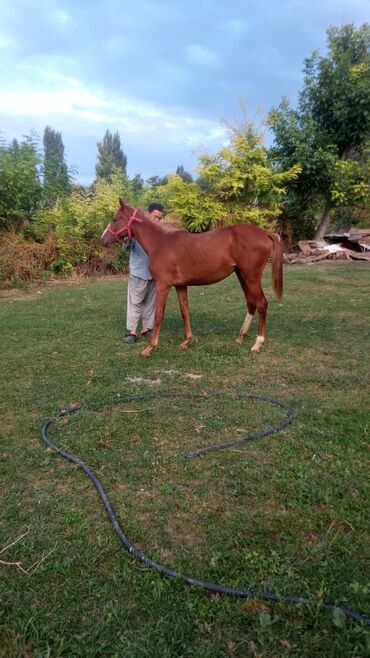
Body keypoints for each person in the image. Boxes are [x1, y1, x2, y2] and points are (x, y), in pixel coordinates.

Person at [123, 203, 164, 343]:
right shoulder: (138, 229)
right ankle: (132, 332)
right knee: (135, 302)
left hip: (155, 273)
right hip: (139, 272)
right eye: (155, 217)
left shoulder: (161, 234)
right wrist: (128, 239)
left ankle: (146, 329)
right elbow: (127, 248)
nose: (157, 221)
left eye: (160, 218)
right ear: (148, 215)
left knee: (150, 303)